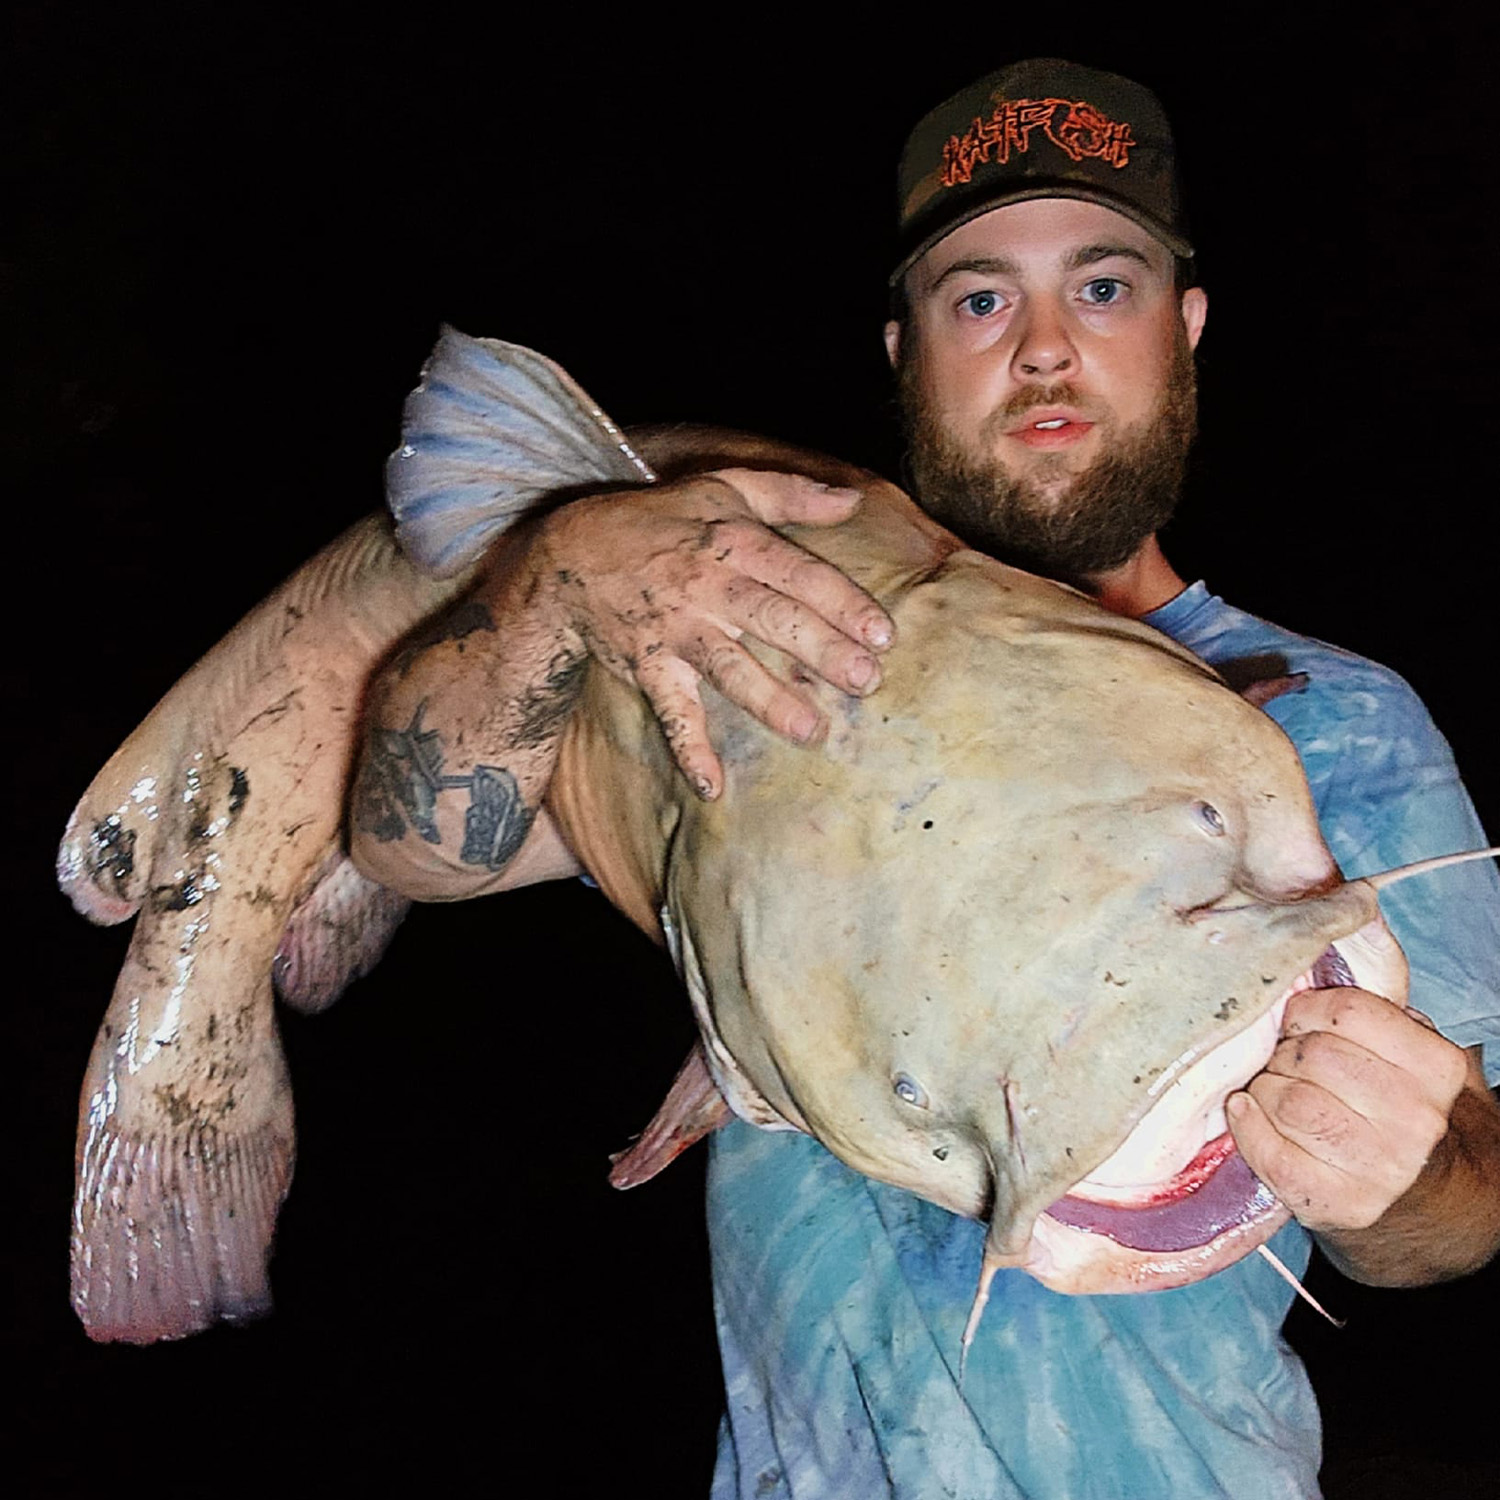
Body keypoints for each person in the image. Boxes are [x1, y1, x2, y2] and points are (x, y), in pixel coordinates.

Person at [349, 60, 1500, 1497]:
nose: (1041, 349)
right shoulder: (749, 636)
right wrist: (564, 576)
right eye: (978, 298)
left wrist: (1418, 1172)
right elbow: (413, 843)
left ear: (1186, 327)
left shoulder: (1348, 726)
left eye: (1103, 285)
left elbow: (1465, 1211)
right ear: (904, 350)